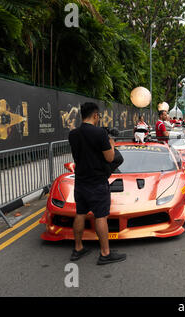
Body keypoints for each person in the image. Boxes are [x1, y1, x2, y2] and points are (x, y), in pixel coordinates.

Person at [68, 102, 126, 265]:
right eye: (98, 116)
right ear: (95, 115)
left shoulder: (73, 134)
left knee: (80, 213)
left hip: (80, 181)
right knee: (101, 216)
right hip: (97, 181)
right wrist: (111, 143)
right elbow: (110, 158)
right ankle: (105, 253)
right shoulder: (100, 133)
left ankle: (78, 248)